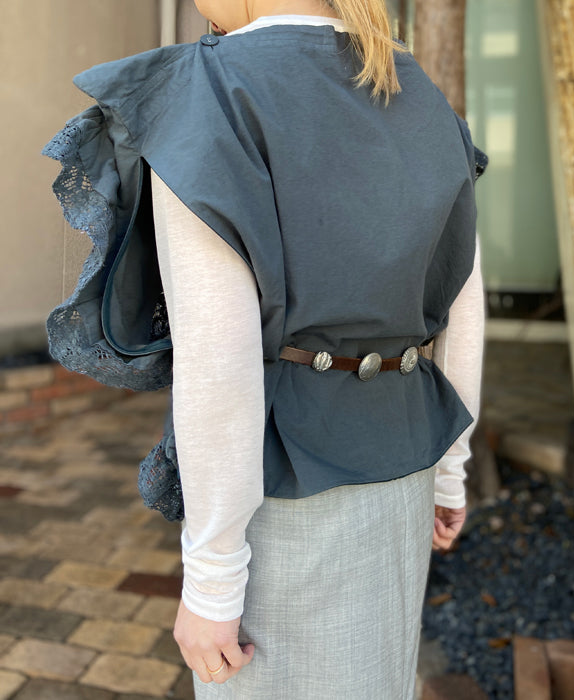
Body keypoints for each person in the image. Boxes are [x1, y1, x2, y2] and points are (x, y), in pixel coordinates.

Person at [43, 0, 486, 697]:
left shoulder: (211, 94)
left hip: (285, 480)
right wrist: (452, 470)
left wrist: (213, 579)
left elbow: (218, 358)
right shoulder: (418, 91)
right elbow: (464, 304)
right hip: (407, 472)